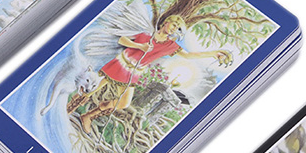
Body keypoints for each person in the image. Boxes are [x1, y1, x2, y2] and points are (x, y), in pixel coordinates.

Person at [78, 14, 232, 133]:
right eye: (174, 24)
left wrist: (213, 53)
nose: (174, 29)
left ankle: (89, 115)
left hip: (132, 73)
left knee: (124, 103)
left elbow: (189, 55)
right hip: (120, 63)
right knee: (90, 90)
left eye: (178, 28)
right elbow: (122, 40)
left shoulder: (171, 45)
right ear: (167, 22)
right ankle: (73, 106)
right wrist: (139, 46)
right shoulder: (146, 33)